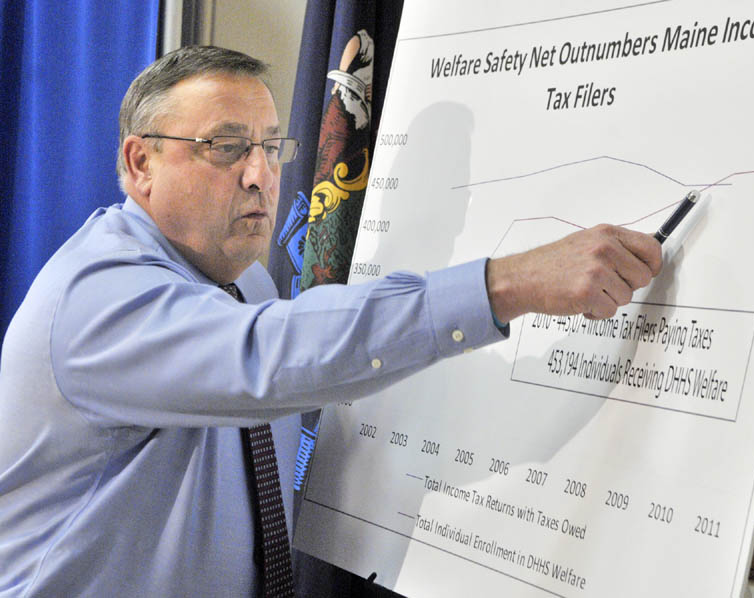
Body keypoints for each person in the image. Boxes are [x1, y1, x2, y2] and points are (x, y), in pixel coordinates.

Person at [0, 46, 662, 597]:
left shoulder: (247, 284)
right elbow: (270, 358)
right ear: (141, 163)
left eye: (270, 147)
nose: (261, 175)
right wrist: (507, 282)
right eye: (226, 148)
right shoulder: (96, 298)